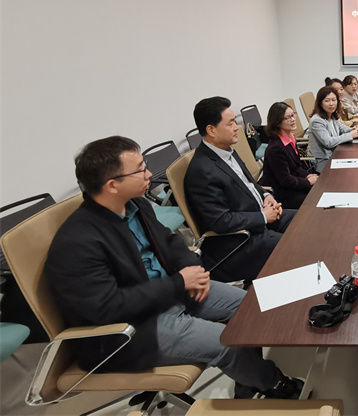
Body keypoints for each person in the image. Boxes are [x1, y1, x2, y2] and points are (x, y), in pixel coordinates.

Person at [45, 136, 304, 400]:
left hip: (172, 292)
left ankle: (248, 379)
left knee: (250, 309)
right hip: (132, 327)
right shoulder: (78, 242)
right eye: (140, 169)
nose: (149, 174)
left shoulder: (135, 205)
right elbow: (107, 307)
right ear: (112, 185)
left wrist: (192, 269)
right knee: (226, 343)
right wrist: (179, 283)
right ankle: (274, 384)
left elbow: (169, 242)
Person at [184, 97, 296, 283]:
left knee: (302, 221)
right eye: (230, 124)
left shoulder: (227, 150)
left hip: (257, 217)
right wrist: (262, 217)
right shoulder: (201, 171)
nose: (237, 127)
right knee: (291, 246)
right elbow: (220, 221)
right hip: (238, 241)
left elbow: (250, 184)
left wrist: (266, 195)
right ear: (211, 130)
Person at [259, 102, 318, 210]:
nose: (293, 119)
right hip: (281, 192)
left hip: (292, 183)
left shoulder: (290, 137)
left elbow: (297, 166)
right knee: (314, 198)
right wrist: (308, 181)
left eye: (293, 115)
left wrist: (308, 175)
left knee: (318, 188)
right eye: (288, 118)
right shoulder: (276, 148)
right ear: (277, 122)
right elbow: (285, 180)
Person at [308, 85, 358, 172]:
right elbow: (328, 142)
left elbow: (341, 128)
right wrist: (350, 135)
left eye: (333, 100)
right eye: (327, 101)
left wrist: (351, 129)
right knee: (349, 171)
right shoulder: (317, 121)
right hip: (322, 161)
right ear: (320, 103)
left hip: (335, 154)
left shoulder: (331, 114)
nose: (331, 104)